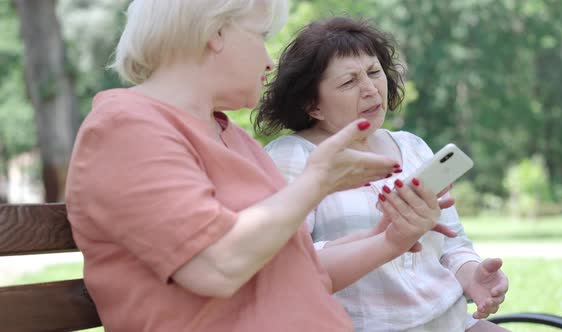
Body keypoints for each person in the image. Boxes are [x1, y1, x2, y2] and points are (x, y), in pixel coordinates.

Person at [65, 2, 458, 331]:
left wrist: (392, 239)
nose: (270, 61)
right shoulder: (127, 126)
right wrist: (317, 182)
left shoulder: (234, 141)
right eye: (261, 36)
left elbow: (306, 271)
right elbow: (215, 267)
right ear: (216, 32)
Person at [257, 17, 510, 332]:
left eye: (374, 72)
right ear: (313, 105)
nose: (370, 89)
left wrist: (474, 276)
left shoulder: (411, 146)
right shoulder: (292, 157)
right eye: (349, 82)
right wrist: (384, 239)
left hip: (454, 323)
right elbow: (291, 264)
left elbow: (452, 243)